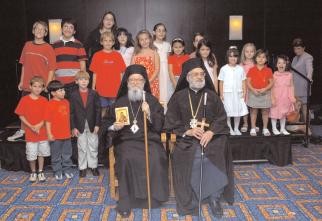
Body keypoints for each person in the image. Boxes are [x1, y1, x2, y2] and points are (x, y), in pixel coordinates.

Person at [164, 58, 234, 218]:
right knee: (190, 155)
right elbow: (170, 121)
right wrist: (187, 131)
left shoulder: (212, 96)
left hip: (211, 138)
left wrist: (211, 132)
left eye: (201, 74)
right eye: (195, 74)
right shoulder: (178, 97)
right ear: (187, 77)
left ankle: (214, 198)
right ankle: (193, 196)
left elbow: (221, 118)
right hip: (187, 140)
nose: (199, 77)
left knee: (216, 151)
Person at [105, 64, 169, 218]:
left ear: (144, 82)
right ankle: (127, 201)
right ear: (127, 82)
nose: (135, 83)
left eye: (139, 80)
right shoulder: (119, 102)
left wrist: (149, 114)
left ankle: (153, 198)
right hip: (126, 140)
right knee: (126, 157)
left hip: (149, 140)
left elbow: (161, 124)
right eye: (132, 80)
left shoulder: (152, 101)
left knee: (155, 156)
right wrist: (114, 126)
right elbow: (106, 123)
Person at [8, 21, 56, 142]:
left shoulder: (48, 48)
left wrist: (48, 85)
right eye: (37, 29)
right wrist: (21, 81)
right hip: (28, 84)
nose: (39, 31)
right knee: (25, 110)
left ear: (46, 33)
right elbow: (24, 64)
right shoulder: (27, 45)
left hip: (41, 86)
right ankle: (23, 132)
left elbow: (52, 69)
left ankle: (44, 133)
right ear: (33, 31)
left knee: (42, 111)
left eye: (42, 29)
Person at [15, 76, 50, 182]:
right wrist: (30, 126)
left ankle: (40, 171)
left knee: (41, 153)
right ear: (30, 87)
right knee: (31, 154)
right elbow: (21, 115)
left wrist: (39, 125)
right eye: (35, 86)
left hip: (42, 132)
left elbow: (47, 115)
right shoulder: (24, 100)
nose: (37, 89)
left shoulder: (44, 100)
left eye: (40, 87)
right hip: (30, 133)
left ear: (43, 88)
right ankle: (33, 172)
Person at [70, 71, 101, 178]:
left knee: (93, 146)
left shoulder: (94, 93)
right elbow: (72, 112)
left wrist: (97, 124)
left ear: (89, 81)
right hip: (79, 125)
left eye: (86, 79)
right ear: (76, 81)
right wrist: (73, 127)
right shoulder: (73, 95)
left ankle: (93, 166)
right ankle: (82, 168)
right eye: (81, 79)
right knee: (82, 147)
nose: (84, 81)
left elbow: (98, 110)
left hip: (92, 124)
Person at [90, 31, 126, 118]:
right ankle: (103, 129)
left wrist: (121, 88)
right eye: (105, 40)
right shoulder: (97, 55)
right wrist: (93, 87)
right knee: (103, 110)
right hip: (101, 89)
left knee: (116, 110)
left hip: (115, 89)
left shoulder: (117, 55)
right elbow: (95, 73)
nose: (108, 43)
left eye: (110, 41)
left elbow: (122, 72)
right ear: (101, 42)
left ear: (113, 42)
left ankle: (117, 130)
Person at [45, 80, 74, 180]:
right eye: (60, 90)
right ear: (53, 93)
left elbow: (68, 118)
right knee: (56, 155)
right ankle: (57, 171)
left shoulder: (66, 102)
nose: (63, 92)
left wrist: (70, 130)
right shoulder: (50, 104)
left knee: (67, 154)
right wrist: (49, 134)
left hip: (66, 135)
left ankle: (67, 170)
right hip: (55, 136)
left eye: (63, 90)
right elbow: (47, 121)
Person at [52, 18, 87, 99]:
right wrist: (53, 81)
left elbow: (83, 66)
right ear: (61, 29)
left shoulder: (79, 45)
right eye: (66, 26)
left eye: (71, 27)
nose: (68, 29)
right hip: (59, 84)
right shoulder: (54, 45)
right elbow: (52, 65)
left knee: (74, 108)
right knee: (61, 108)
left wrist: (81, 82)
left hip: (74, 83)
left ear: (74, 31)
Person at [218, 47, 248, 135]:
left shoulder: (240, 69)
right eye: (230, 56)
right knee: (228, 111)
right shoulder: (224, 69)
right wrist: (221, 94)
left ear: (238, 58)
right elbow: (221, 82)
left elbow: (243, 81)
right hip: (227, 94)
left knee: (237, 112)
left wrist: (244, 92)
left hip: (238, 94)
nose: (233, 58)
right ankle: (230, 128)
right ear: (227, 58)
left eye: (235, 56)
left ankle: (236, 128)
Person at [247, 49, 274, 136]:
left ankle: (265, 128)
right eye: (259, 57)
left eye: (263, 57)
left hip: (265, 93)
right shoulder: (251, 70)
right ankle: (253, 128)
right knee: (253, 111)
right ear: (255, 58)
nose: (261, 59)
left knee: (265, 112)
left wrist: (265, 89)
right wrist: (253, 90)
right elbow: (248, 82)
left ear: (266, 59)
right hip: (253, 93)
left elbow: (272, 82)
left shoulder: (269, 70)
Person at [270, 55, 296, 135]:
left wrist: (292, 96)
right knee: (274, 113)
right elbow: (271, 87)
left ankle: (282, 129)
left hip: (285, 97)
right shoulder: (274, 75)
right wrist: (272, 98)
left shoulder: (289, 75)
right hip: (276, 97)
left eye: (283, 63)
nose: (281, 65)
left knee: (284, 113)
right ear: (276, 65)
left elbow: (292, 86)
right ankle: (274, 128)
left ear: (286, 64)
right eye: (279, 63)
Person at [131, 30, 160, 99]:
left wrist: (148, 81)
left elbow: (157, 70)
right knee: (139, 103)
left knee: (151, 102)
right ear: (138, 42)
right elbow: (131, 69)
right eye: (141, 40)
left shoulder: (154, 53)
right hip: (138, 83)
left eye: (146, 39)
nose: (144, 41)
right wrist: (137, 82)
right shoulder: (135, 54)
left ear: (150, 39)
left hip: (152, 83)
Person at [291, 38, 313, 124]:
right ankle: (297, 129)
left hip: (303, 88)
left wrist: (309, 78)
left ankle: (308, 129)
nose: (296, 50)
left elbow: (310, 69)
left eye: (299, 48)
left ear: (304, 48)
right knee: (295, 109)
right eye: (295, 48)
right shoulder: (294, 58)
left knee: (304, 108)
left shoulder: (308, 57)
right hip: (294, 88)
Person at [153, 23, 172, 104]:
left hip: (166, 71)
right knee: (157, 89)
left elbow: (168, 59)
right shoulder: (152, 44)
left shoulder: (167, 45)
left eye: (163, 31)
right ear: (154, 32)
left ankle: (165, 110)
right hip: (156, 69)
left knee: (166, 89)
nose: (161, 33)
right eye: (159, 30)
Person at [240, 43, 256, 132]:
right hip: (244, 88)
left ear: (254, 52)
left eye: (251, 51)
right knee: (244, 106)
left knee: (253, 107)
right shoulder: (241, 64)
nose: (249, 53)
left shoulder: (256, 63)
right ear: (244, 52)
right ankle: (245, 123)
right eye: (247, 51)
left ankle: (253, 124)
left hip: (254, 88)